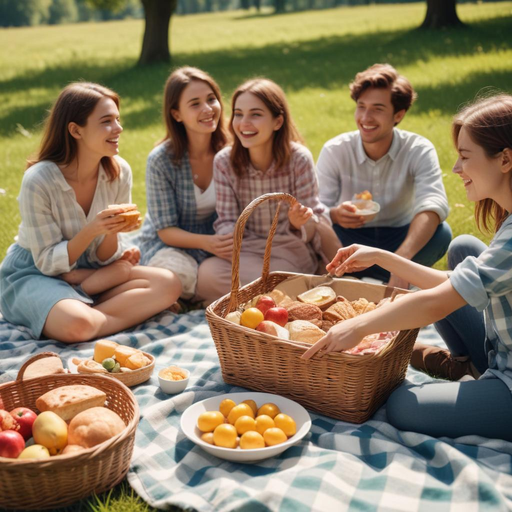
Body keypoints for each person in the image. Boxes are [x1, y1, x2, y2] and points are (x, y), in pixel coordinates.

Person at [302, 93, 512, 441]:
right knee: (463, 249)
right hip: (501, 351)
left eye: (464, 157)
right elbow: (454, 285)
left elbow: (437, 302)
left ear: (504, 159)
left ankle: (479, 384)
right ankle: (467, 366)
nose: (457, 168)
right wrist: (382, 256)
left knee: (402, 406)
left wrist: (359, 327)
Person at [0, 82, 181, 343]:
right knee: (78, 324)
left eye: (118, 119)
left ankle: (82, 308)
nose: (118, 128)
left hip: (91, 272)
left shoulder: (118, 171)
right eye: (107, 121)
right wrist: (93, 229)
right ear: (75, 130)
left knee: (169, 283)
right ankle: (86, 317)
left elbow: (107, 257)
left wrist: (111, 232)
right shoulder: (38, 180)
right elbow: (48, 262)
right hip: (34, 272)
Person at [195, 78, 340, 304]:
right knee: (206, 275)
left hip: (288, 249)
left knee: (276, 279)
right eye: (238, 114)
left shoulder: (298, 159)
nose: (244, 123)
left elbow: (313, 223)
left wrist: (297, 222)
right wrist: (226, 238)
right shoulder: (224, 161)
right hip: (245, 249)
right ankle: (274, 296)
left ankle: (256, 296)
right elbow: (226, 219)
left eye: (255, 114)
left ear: (277, 121)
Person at [317, 63, 452, 289]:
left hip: (400, 237)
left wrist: (401, 260)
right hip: (349, 240)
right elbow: (316, 207)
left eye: (377, 109)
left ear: (398, 115)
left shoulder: (418, 148)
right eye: (361, 107)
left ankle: (400, 276)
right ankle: (351, 280)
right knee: (318, 228)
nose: (365, 118)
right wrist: (336, 215)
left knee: (441, 233)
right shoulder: (335, 149)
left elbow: (433, 203)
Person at [136, 67, 230, 299]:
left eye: (211, 99)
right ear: (177, 114)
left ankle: (189, 296)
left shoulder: (231, 151)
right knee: (176, 276)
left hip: (218, 240)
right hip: (171, 243)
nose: (208, 109)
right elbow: (166, 230)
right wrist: (208, 243)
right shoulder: (161, 160)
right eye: (195, 103)